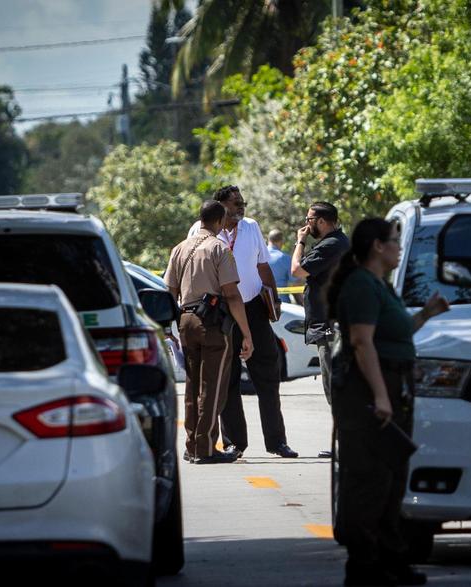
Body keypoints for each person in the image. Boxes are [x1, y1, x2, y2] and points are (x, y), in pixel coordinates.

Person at [327, 218, 449, 586]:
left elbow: (395, 333)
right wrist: (381, 395)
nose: (398, 247)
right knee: (370, 478)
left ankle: (391, 561)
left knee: (391, 477)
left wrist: (426, 314)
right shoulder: (361, 285)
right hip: (367, 390)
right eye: (394, 241)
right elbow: (362, 342)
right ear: (378, 246)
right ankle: (365, 567)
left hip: (393, 384)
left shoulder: (380, 285)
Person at [191, 186, 298, 459]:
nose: (241, 206)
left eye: (242, 202)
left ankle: (277, 441)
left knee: (268, 374)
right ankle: (234, 443)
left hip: (252, 309)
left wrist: (274, 298)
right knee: (228, 380)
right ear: (220, 206)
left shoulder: (251, 227)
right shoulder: (201, 231)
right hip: (221, 312)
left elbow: (263, 266)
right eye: (235, 202)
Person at [165, 200, 254, 465]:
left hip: (186, 321)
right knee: (212, 387)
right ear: (219, 221)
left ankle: (192, 445)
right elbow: (232, 294)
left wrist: (170, 327)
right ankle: (205, 449)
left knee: (192, 385)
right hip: (212, 324)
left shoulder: (179, 248)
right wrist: (247, 334)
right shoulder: (219, 248)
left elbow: (170, 292)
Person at [291, 201, 349, 405]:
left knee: (334, 389)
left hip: (330, 327)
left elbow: (297, 270)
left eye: (309, 219)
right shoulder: (338, 242)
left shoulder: (330, 245)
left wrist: (300, 242)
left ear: (322, 221)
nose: (306, 224)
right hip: (333, 324)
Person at [267, 229, 302, 305]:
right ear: (281, 241)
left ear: (268, 239)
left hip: (262, 302)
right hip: (282, 304)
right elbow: (295, 284)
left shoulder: (258, 256)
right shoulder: (285, 258)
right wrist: (301, 304)